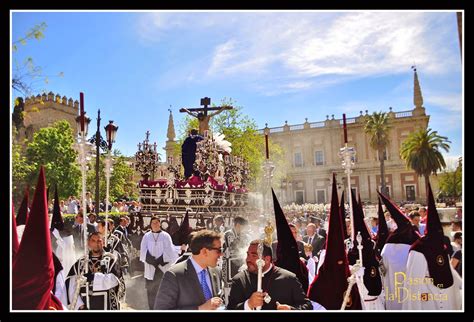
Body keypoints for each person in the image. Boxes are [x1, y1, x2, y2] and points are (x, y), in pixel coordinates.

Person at [226, 240, 312, 310]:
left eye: (254, 255)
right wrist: (248, 305)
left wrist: (290, 309)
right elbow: (230, 309)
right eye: (248, 254)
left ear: (267, 259)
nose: (248, 259)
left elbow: (307, 305)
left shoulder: (289, 278)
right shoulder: (239, 280)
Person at [154, 230, 224, 310]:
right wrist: (199, 309)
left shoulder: (216, 271)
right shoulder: (174, 275)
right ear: (204, 251)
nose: (221, 254)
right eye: (218, 250)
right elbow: (161, 310)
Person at [65, 232, 125, 310]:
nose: (96, 244)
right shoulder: (81, 263)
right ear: (88, 243)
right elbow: (71, 286)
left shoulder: (111, 260)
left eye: (99, 241)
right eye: (93, 241)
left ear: (103, 242)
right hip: (86, 305)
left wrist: (94, 277)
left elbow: (115, 280)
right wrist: (80, 306)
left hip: (107, 305)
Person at [140, 216, 178, 309]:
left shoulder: (166, 235)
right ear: (151, 225)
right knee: (151, 292)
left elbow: (170, 251)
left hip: (162, 268)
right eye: (153, 223)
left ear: (160, 224)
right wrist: (152, 261)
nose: (155, 224)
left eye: (157, 222)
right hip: (151, 267)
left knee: (162, 292)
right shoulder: (146, 236)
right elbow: (143, 250)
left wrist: (159, 261)